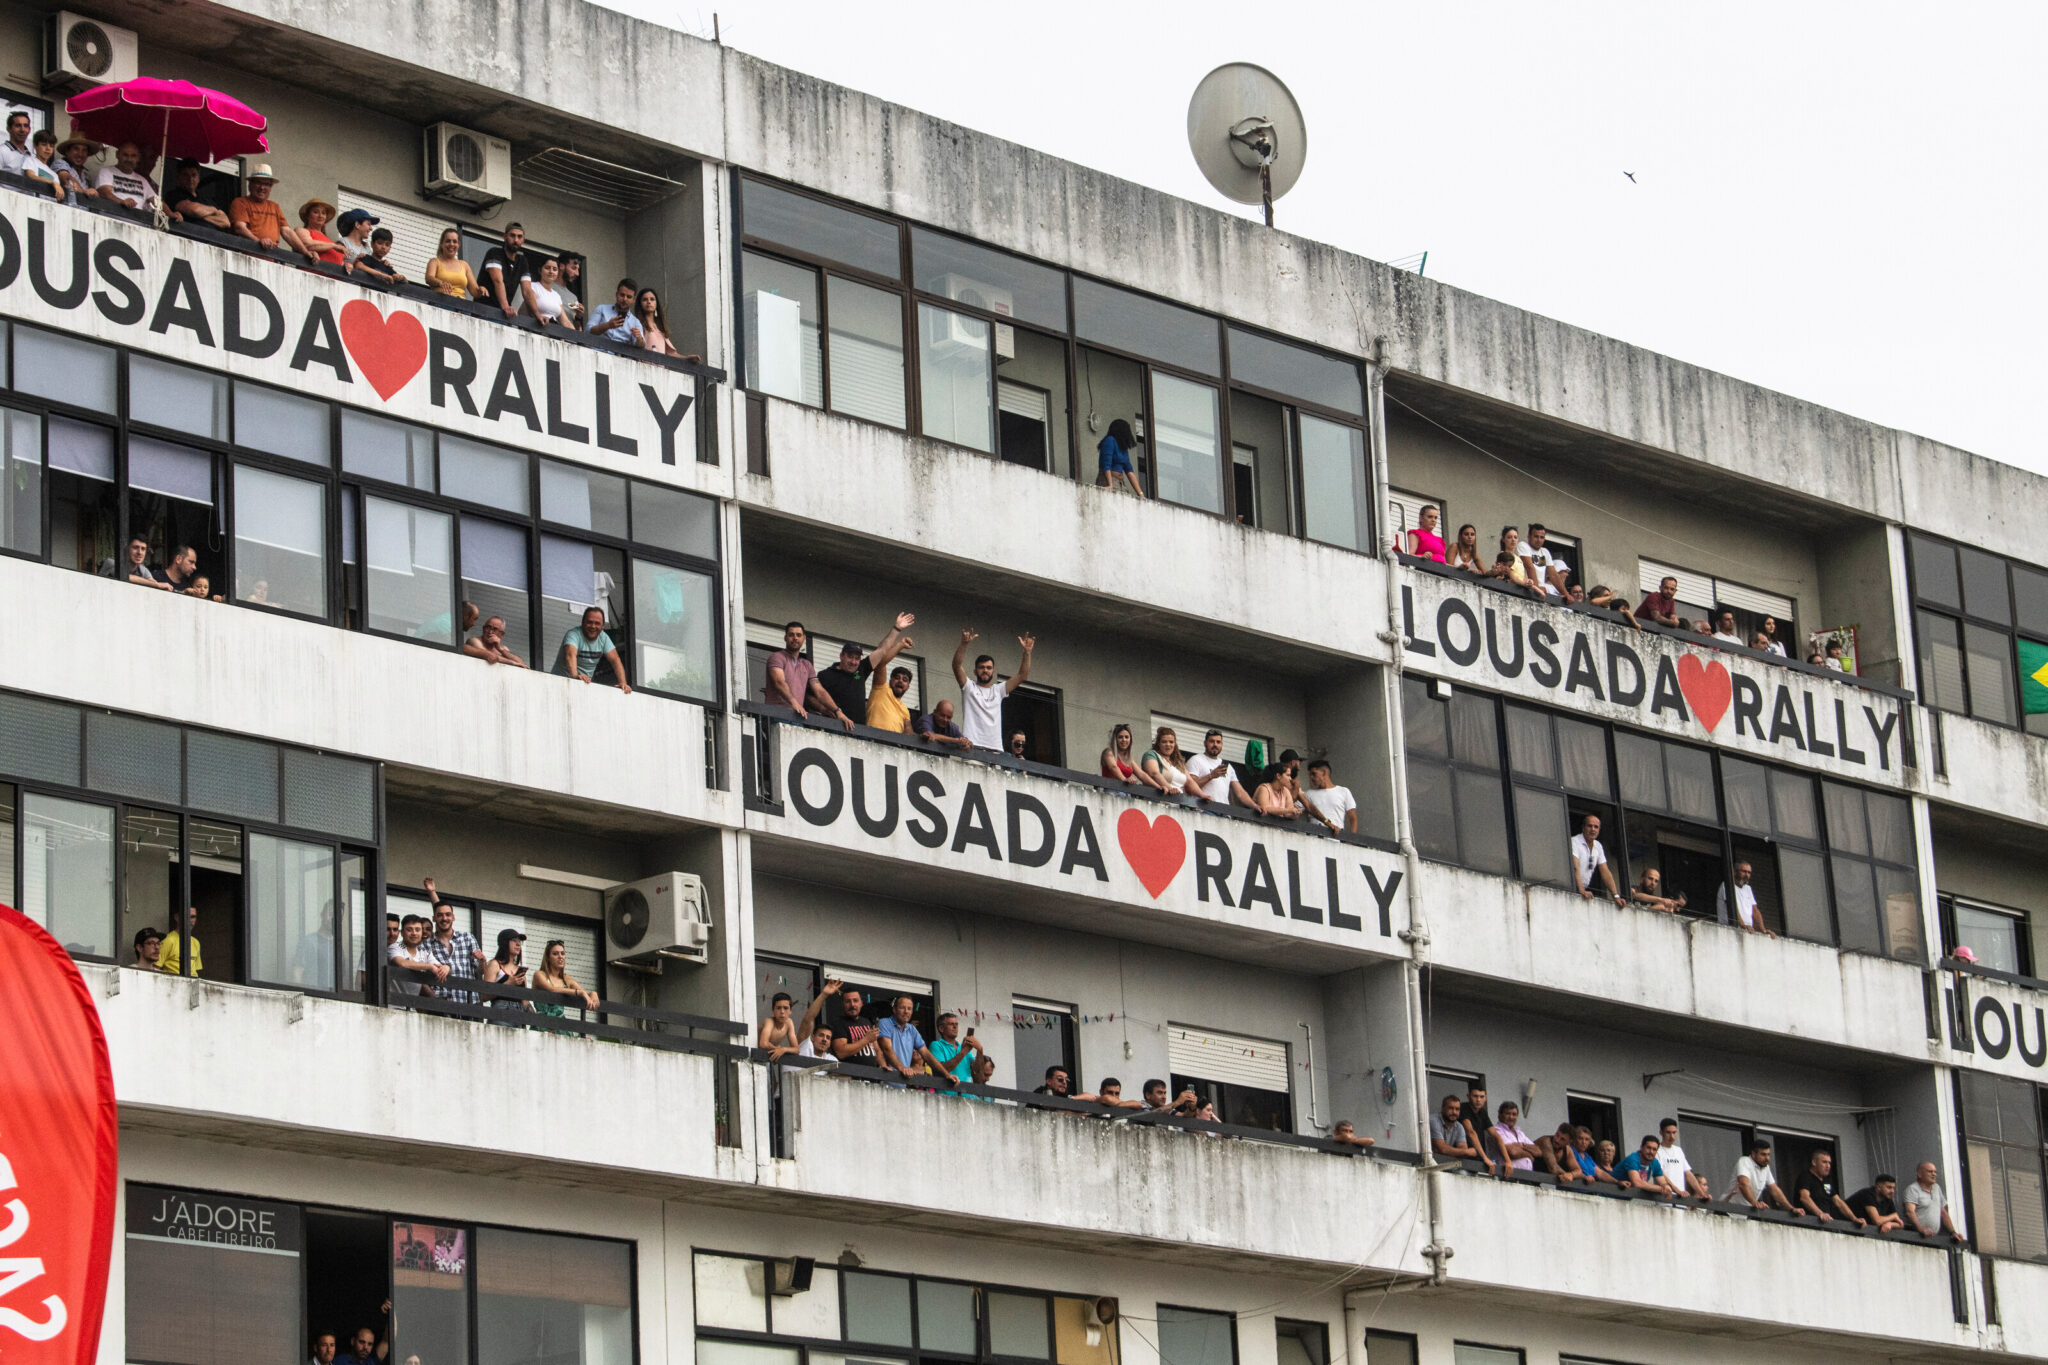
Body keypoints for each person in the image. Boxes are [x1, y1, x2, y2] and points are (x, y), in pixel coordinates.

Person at [817, 612, 916, 720]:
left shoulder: (861, 670)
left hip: (859, 731)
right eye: (850, 657)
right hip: (832, 728)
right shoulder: (825, 675)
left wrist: (897, 629)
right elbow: (810, 697)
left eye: (857, 658)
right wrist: (823, 709)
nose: (853, 662)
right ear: (841, 656)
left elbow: (882, 650)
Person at [952, 628, 1035, 750]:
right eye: (981, 667)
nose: (985, 670)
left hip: (995, 749)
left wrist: (1027, 653)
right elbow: (956, 665)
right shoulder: (969, 687)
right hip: (972, 746)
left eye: (989, 668)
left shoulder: (998, 690)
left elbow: (1022, 676)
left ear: (993, 671)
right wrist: (964, 644)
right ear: (975, 671)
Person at [763, 621, 855, 728]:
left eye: (798, 635)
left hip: (795, 718)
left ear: (804, 638)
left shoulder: (806, 665)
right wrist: (795, 702)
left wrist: (837, 711)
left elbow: (819, 691)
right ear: (785, 638)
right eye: (791, 635)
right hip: (776, 715)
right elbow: (779, 682)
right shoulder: (777, 657)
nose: (795, 638)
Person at [422, 877, 484, 1005]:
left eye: (448, 915)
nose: (444, 918)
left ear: (453, 917)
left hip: (468, 1002)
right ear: (433, 918)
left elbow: (480, 971)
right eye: (439, 916)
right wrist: (433, 999)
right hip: (441, 1004)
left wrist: (483, 961)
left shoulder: (467, 938)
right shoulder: (426, 944)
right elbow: (419, 976)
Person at [231, 165, 306, 255]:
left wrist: (306, 252)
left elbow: (287, 232)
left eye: (266, 184)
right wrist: (259, 241)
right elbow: (240, 228)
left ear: (270, 188)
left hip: (270, 259)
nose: (262, 187)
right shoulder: (241, 202)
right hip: (246, 258)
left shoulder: (274, 207)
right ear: (250, 184)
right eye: (258, 183)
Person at [556, 606, 632, 693]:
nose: (593, 626)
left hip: (583, 685)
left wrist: (623, 684)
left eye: (597, 623)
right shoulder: (573, 634)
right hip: (561, 682)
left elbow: (615, 660)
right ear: (582, 622)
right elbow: (570, 655)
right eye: (589, 622)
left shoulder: (603, 638)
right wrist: (575, 676)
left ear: (603, 626)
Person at [1185, 729, 1258, 809]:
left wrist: (1255, 806)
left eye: (1218, 742)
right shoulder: (1196, 760)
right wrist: (1211, 776)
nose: (1215, 744)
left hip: (1224, 812)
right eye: (1212, 741)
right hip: (1204, 809)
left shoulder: (1227, 766)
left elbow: (1240, 793)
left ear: (1222, 744)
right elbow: (1190, 787)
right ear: (1205, 743)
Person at [876, 995, 940, 1084]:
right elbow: (887, 1049)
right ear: (894, 1009)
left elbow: (925, 1053)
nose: (906, 1011)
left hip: (902, 1084)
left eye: (909, 1009)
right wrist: (903, 1068)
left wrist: (946, 1074)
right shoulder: (884, 1023)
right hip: (885, 1083)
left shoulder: (912, 1029)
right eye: (902, 1008)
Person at [1726, 1138, 1799, 1213]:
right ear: (1753, 1154)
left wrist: (1791, 1209)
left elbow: (1774, 1190)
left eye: (1768, 1154)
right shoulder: (1745, 1161)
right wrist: (1755, 1203)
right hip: (1728, 1211)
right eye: (1763, 1154)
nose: (1767, 1158)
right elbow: (1743, 1184)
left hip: (1744, 1214)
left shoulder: (1765, 1168)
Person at [530, 938, 599, 1016]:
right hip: (541, 1024)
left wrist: (593, 993)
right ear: (548, 958)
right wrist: (578, 992)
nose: (560, 957)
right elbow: (551, 989)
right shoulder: (539, 975)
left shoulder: (566, 979)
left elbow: (584, 993)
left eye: (562, 953)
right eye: (555, 954)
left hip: (561, 1024)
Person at [480, 222, 534, 318]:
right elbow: (498, 281)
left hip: (502, 315)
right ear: (504, 236)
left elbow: (527, 291)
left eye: (519, 237)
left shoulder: (522, 261)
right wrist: (506, 307)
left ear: (523, 240)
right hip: (483, 310)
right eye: (512, 236)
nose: (516, 240)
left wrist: (538, 315)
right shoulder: (495, 253)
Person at [1571, 815, 1626, 907]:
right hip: (1571, 888)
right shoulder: (1574, 841)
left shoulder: (1598, 846)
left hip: (1581, 889)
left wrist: (1616, 896)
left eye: (1596, 827)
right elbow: (1574, 867)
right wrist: (1582, 891)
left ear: (1599, 830)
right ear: (1583, 828)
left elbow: (1605, 872)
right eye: (1590, 826)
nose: (1593, 829)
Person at [1795, 1150, 1860, 1223]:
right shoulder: (1806, 1176)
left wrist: (1854, 1219)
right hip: (1808, 1222)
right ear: (1814, 1162)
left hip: (1825, 1223)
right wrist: (1821, 1214)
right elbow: (1804, 1198)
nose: (1828, 1166)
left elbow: (1838, 1201)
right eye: (1824, 1162)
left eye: (1829, 1163)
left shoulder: (1826, 1181)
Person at [386, 914, 443, 997]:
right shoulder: (394, 947)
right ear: (401, 932)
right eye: (409, 930)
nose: (414, 933)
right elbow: (402, 963)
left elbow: (439, 968)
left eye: (417, 930)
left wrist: (446, 968)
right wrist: (429, 966)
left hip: (412, 1005)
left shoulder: (425, 953)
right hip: (393, 1004)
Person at [94, 141, 159, 211]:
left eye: (133, 156)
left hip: (135, 220)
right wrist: (122, 202)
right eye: (125, 155)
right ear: (117, 155)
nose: (129, 159)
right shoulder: (107, 172)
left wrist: (171, 214)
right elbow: (104, 193)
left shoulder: (142, 180)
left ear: (138, 158)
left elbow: (157, 202)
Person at [1429, 1094, 1490, 1169]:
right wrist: (1467, 1152)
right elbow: (1442, 1149)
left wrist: (1459, 1152)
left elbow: (1463, 1151)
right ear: (1443, 1108)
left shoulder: (1459, 1126)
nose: (1454, 1112)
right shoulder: (1433, 1121)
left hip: (1446, 1166)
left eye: (1457, 1109)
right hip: (1429, 1165)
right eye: (1451, 1108)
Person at [480, 927, 531, 1014]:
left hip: (519, 1015)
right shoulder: (495, 964)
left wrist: (538, 1021)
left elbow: (525, 1001)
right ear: (504, 942)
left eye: (519, 941)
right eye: (514, 940)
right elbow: (484, 996)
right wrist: (507, 984)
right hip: (501, 1011)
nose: (518, 944)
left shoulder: (520, 971)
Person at [1656, 1118, 1711, 1198]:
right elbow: (1660, 1173)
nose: (1672, 1136)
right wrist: (1677, 1190)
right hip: (1665, 1198)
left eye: (1674, 1132)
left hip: (1681, 1199)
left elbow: (1688, 1174)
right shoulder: (1657, 1150)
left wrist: (1702, 1194)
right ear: (1661, 1132)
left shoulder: (1678, 1151)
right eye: (1668, 1133)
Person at [1718, 860, 1774, 937]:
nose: (1747, 875)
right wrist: (1743, 925)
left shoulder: (1748, 889)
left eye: (1749, 872)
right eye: (1744, 871)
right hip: (1729, 930)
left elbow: (1755, 910)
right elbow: (1732, 907)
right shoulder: (1727, 885)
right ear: (1735, 872)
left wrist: (1763, 930)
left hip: (1747, 931)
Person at [1905, 1162, 1960, 1239]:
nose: (1934, 1174)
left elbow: (1943, 1213)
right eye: (1930, 1171)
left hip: (1934, 1238)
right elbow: (1910, 1212)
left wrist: (1953, 1232)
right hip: (1918, 1237)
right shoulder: (1913, 1189)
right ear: (1920, 1174)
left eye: (1935, 1172)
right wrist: (1920, 1229)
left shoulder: (1936, 1188)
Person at [926, 1012, 984, 1087]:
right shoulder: (936, 1045)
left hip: (967, 1096)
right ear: (941, 1028)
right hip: (947, 1095)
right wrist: (964, 1052)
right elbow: (942, 1070)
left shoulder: (962, 1047)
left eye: (956, 1024)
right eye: (951, 1024)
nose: (955, 1027)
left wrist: (980, 1051)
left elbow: (979, 1078)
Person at [1301, 758, 1358, 833]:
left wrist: (1352, 839)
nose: (1311, 778)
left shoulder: (1343, 791)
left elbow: (1352, 817)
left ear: (1324, 773)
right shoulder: (1308, 794)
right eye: (1310, 775)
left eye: (1314, 774)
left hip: (1336, 837)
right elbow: (1296, 811)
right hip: (1314, 837)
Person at [828, 986, 882, 1065]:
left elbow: (877, 1050)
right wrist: (866, 1040)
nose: (852, 1005)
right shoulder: (838, 1023)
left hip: (871, 1074)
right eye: (848, 1001)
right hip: (852, 1074)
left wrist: (883, 1066)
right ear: (843, 1004)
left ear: (861, 1003)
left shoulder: (867, 1022)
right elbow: (841, 1052)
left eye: (855, 1001)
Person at [426, 226, 480, 299]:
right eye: (448, 241)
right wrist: (440, 283)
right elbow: (429, 278)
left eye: (455, 241)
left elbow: (474, 292)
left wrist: (481, 290)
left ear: (458, 245)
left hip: (460, 305)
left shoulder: (464, 265)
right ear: (441, 244)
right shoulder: (435, 261)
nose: (451, 244)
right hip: (440, 302)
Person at [586, 278, 645, 345]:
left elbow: (641, 345)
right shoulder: (602, 309)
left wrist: (639, 338)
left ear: (634, 299)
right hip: (598, 351)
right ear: (617, 294)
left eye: (629, 297)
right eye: (622, 295)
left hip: (620, 355)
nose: (625, 299)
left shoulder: (635, 322)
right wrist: (608, 325)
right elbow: (588, 331)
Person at [1485, 528, 1542, 598]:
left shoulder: (1518, 558)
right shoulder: (1503, 554)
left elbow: (1521, 576)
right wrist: (1527, 584)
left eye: (1515, 537)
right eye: (1509, 537)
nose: (1513, 540)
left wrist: (1529, 582)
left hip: (1520, 590)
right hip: (1510, 590)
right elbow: (1511, 574)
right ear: (1503, 539)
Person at [634, 287, 689, 358]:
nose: (649, 302)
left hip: (660, 368)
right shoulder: (637, 324)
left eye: (652, 299)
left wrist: (688, 358)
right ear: (640, 304)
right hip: (644, 366)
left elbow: (671, 354)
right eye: (645, 299)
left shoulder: (660, 327)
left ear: (656, 304)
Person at [1096, 417, 1144, 497]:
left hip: (1120, 483)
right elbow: (1106, 465)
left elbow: (1129, 471)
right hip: (1108, 479)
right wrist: (1110, 485)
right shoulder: (1110, 440)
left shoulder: (1123, 448)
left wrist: (1141, 494)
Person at [1488, 1102, 1540, 1172]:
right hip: (1505, 1174)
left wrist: (1522, 1145)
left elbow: (1538, 1151)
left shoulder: (1519, 1133)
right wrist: (1529, 1155)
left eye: (1514, 1114)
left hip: (1525, 1176)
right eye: (1508, 1114)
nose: (1511, 1117)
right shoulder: (1497, 1130)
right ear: (1500, 1115)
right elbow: (1512, 1152)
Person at [1524, 525, 1571, 599]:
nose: (1539, 540)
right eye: (1536, 536)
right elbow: (1530, 568)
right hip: (1527, 590)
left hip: (1538, 593)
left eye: (1542, 537)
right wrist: (1537, 590)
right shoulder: (1523, 546)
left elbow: (1553, 575)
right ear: (1529, 537)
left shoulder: (1545, 552)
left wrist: (1567, 595)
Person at [1138, 726, 1190, 794]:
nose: (1168, 744)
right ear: (1158, 743)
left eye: (1171, 742)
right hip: (1158, 801)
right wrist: (1171, 789)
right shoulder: (1152, 754)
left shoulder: (1178, 762)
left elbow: (1190, 782)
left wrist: (1203, 795)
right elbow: (1154, 773)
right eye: (1164, 742)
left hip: (1177, 802)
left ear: (1175, 744)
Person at [462, 615, 529, 668]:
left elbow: (521, 664)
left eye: (495, 629)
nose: (490, 632)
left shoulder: (503, 648)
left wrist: (500, 649)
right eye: (488, 627)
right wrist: (512, 662)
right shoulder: (475, 641)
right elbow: (489, 655)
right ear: (483, 629)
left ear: (501, 634)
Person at [867, 665, 916, 733]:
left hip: (893, 743)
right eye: (897, 677)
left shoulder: (905, 710)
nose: (900, 681)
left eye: (904, 680)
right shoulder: (881, 689)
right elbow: (882, 662)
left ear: (908, 687)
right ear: (890, 681)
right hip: (871, 739)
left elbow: (908, 731)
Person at [1101, 723, 1153, 788]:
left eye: (1126, 737)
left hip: (1126, 794)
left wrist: (1159, 786)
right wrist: (1124, 779)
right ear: (1115, 739)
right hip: (1112, 792)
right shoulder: (1109, 752)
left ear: (1130, 739)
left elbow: (1142, 775)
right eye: (1120, 737)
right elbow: (1113, 767)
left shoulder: (1129, 759)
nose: (1124, 740)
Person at [19, 129, 63, 201]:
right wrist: (52, 182)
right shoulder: (31, 160)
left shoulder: (54, 175)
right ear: (35, 146)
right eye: (44, 144)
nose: (48, 148)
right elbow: (31, 176)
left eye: (51, 146)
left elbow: (58, 195)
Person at [524, 256, 569, 326]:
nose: (551, 272)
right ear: (540, 270)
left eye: (554, 269)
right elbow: (529, 311)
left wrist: (577, 336)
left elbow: (565, 322)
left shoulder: (556, 295)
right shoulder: (532, 286)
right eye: (547, 268)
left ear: (557, 273)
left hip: (552, 331)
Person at [158, 907, 202, 976]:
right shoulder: (168, 940)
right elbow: (155, 968)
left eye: (193, 917)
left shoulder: (196, 942)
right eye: (186, 916)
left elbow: (195, 970)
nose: (190, 920)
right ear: (176, 917)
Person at [54, 135, 98, 199]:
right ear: (67, 151)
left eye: (84, 150)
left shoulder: (86, 175)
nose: (80, 154)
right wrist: (85, 192)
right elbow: (66, 179)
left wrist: (95, 193)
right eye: (76, 149)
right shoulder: (59, 163)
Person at [555, 253, 587, 326]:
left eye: (578, 269)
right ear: (561, 266)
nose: (577, 274)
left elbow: (575, 328)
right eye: (574, 268)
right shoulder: (548, 288)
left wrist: (578, 317)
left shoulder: (573, 298)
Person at [0, 110, 31, 175]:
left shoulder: (32, 157)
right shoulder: (2, 151)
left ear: (29, 130)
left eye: (25, 126)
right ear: (9, 129)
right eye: (18, 125)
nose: (22, 130)